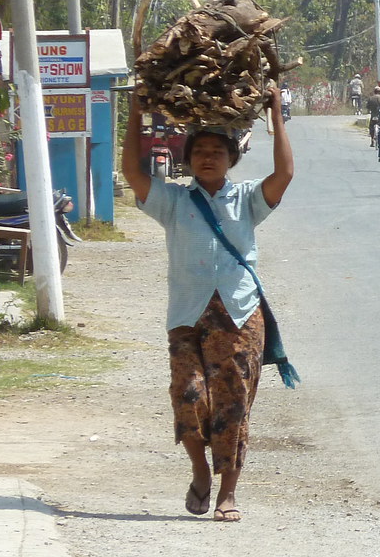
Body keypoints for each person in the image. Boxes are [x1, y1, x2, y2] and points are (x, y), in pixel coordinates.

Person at [120, 87, 294, 524]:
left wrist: (276, 112)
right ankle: (200, 471)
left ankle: (228, 493)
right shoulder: (174, 202)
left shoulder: (248, 199)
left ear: (231, 159)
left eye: (218, 150)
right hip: (187, 315)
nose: (209, 157)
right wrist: (136, 111)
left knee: (232, 403)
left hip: (238, 314)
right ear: (188, 158)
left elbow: (285, 174)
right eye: (200, 150)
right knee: (189, 395)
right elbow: (131, 172)